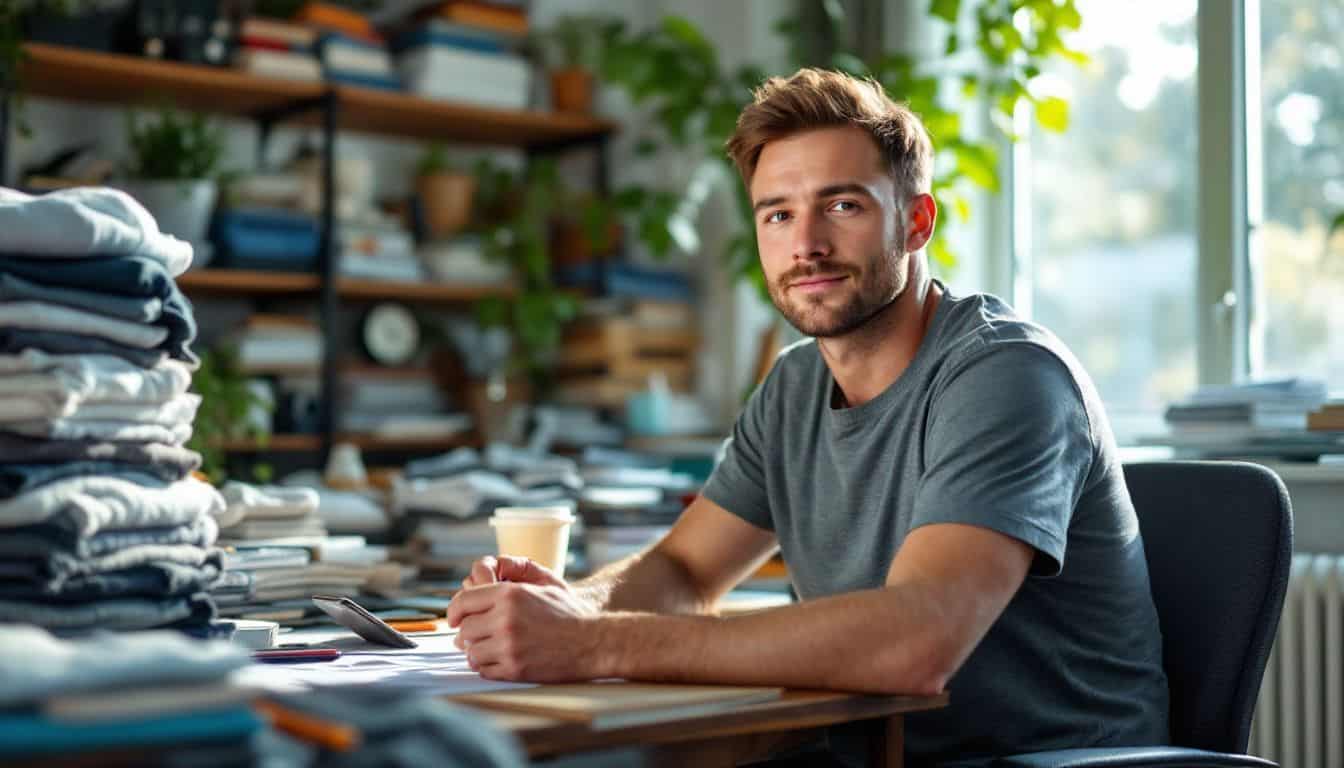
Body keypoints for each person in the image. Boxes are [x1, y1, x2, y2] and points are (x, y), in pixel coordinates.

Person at [447, 68, 1170, 766]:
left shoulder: (1006, 376)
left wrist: (594, 643)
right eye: (778, 214)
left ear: (916, 222)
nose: (806, 245)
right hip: (873, 748)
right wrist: (565, 605)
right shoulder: (795, 383)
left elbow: (917, 642)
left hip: (1040, 760)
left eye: (843, 205)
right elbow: (683, 568)